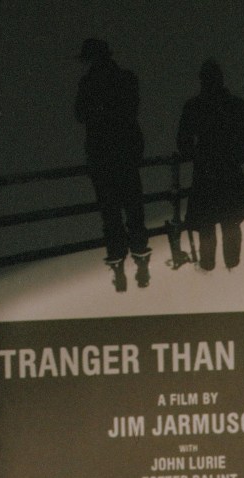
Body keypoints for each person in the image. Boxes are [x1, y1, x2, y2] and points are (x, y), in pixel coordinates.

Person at [74, 37, 151, 292]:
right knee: (134, 211)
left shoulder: (88, 84)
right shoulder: (127, 78)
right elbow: (131, 110)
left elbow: (79, 115)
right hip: (126, 156)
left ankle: (118, 268)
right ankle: (141, 262)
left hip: (102, 158)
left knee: (110, 215)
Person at [176, 61, 244, 273]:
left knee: (206, 222)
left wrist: (196, 154)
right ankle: (232, 263)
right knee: (231, 220)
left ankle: (208, 263)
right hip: (229, 169)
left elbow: (183, 142)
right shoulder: (234, 104)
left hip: (205, 171)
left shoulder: (194, 106)